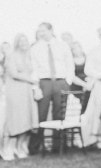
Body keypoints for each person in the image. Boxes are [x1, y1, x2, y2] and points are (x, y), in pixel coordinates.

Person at [30, 23, 75, 152]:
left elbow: (69, 64)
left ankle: (58, 146)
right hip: (44, 83)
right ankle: (38, 147)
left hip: (60, 82)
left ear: (51, 30)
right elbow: (34, 68)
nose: (41, 33)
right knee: (41, 114)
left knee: (59, 113)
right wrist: (36, 87)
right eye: (40, 31)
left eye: (43, 31)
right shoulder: (36, 48)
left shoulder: (62, 45)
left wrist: (68, 81)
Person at [3, 34, 39, 159]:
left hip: (27, 92)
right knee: (15, 119)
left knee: (26, 119)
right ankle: (8, 149)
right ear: (17, 43)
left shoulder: (28, 56)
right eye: (21, 41)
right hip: (15, 90)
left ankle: (20, 147)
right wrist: (31, 80)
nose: (24, 43)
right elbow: (13, 74)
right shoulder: (11, 56)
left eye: (25, 41)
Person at [70, 41, 91, 113]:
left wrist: (88, 83)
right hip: (76, 84)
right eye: (73, 49)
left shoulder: (88, 58)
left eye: (77, 48)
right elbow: (72, 76)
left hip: (89, 83)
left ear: (81, 48)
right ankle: (83, 114)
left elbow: (92, 72)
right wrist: (84, 84)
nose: (75, 50)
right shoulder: (70, 60)